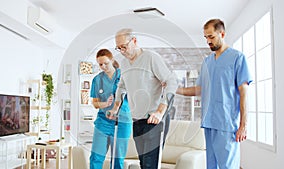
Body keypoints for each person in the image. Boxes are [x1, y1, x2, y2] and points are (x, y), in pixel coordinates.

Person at [176, 19, 253, 169]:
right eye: (206, 37)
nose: (208, 41)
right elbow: (199, 90)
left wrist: (243, 125)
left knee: (228, 166)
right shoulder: (207, 62)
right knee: (212, 166)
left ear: (222, 34)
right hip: (209, 123)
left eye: (211, 37)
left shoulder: (237, 58)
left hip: (227, 123)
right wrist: (175, 88)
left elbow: (244, 93)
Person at [108, 28, 177, 169]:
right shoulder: (124, 62)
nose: (122, 51)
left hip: (154, 119)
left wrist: (160, 111)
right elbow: (122, 86)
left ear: (134, 41)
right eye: (118, 48)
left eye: (124, 47)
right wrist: (115, 107)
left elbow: (171, 82)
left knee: (150, 165)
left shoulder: (151, 58)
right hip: (137, 120)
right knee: (144, 164)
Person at [89, 49, 132, 169]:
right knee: (96, 157)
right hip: (103, 122)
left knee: (118, 159)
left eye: (106, 63)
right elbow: (95, 104)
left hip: (122, 121)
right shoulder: (97, 80)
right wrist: (105, 103)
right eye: (100, 64)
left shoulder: (125, 75)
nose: (103, 66)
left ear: (112, 60)